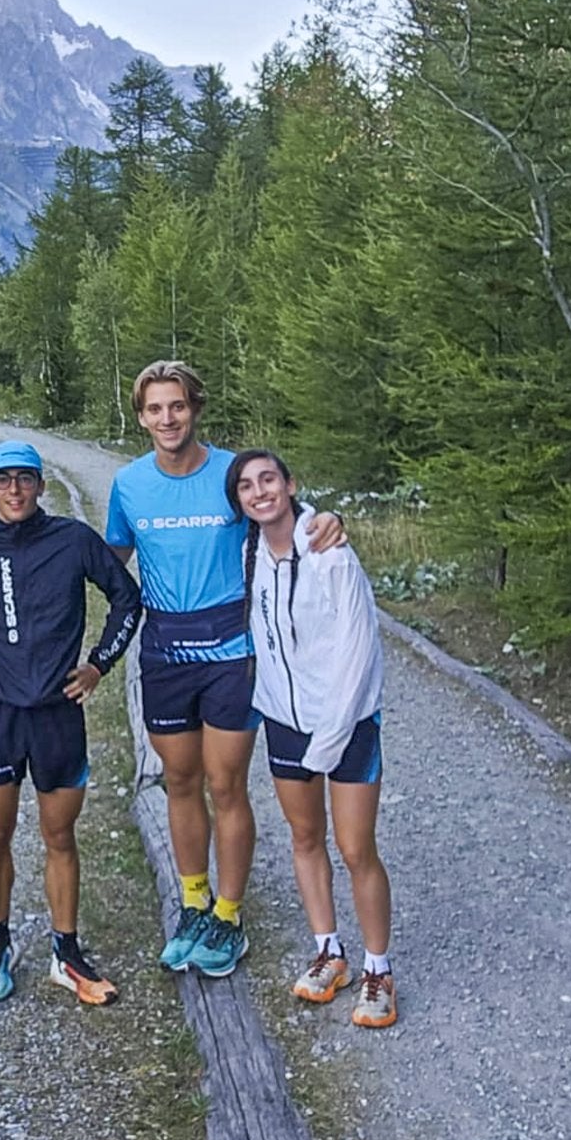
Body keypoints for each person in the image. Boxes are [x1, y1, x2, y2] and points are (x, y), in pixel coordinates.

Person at [105, 361, 343, 980]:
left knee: (226, 785)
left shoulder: (229, 471)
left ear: (195, 408)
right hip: (163, 653)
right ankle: (193, 903)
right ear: (140, 417)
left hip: (232, 652)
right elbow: (109, 558)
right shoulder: (129, 485)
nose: (167, 419)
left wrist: (323, 519)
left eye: (177, 406)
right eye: (155, 409)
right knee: (178, 783)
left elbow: (278, 506)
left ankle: (229, 913)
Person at [0, 440, 141, 1006]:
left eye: (25, 479)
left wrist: (98, 665)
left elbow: (127, 599)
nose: (15, 490)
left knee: (59, 836)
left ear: (41, 485)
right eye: (3, 480)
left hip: (57, 715)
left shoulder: (72, 540)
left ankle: (66, 953)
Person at [227, 448, 396, 1028]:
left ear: (290, 484)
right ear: (241, 502)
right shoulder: (249, 554)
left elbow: (359, 651)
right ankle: (330, 951)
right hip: (282, 718)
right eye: (246, 486)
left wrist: (330, 735)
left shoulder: (331, 555)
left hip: (346, 722)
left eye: (268, 479)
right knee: (304, 837)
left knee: (355, 847)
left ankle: (379, 968)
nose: (259, 492)